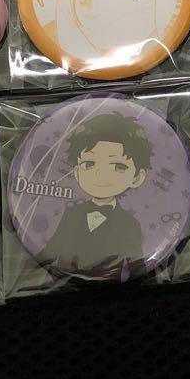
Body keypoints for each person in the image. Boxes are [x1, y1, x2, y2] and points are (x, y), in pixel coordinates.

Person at [38, 114, 150, 274]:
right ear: (77, 172)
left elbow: (138, 266)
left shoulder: (131, 225)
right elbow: (50, 251)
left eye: (118, 166)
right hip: (61, 278)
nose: (101, 175)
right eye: (89, 164)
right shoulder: (71, 213)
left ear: (137, 177)